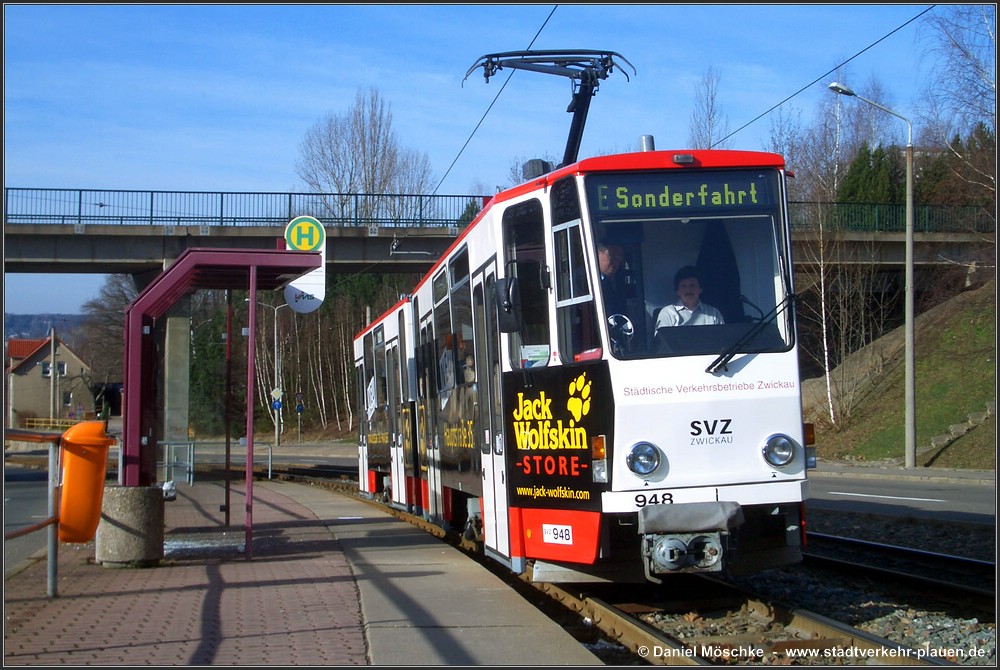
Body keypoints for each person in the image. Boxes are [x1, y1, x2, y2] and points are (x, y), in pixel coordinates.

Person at [655, 265, 724, 329]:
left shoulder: (714, 313)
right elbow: (661, 341)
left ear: (700, 289)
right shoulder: (668, 313)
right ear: (677, 291)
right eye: (684, 286)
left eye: (692, 285)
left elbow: (723, 339)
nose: (688, 290)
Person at [596, 242, 628, 316]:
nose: (615, 262)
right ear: (597, 254)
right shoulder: (581, 280)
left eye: (619, 259)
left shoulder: (616, 283)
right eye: (612, 257)